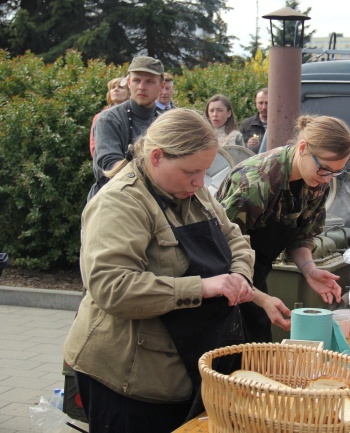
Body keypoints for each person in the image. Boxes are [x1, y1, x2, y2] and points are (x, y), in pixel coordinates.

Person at [64, 108, 290, 432]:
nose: (200, 183)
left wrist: (240, 276)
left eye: (204, 172)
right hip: (128, 378)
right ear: (156, 157)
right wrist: (201, 287)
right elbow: (112, 287)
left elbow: (236, 239)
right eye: (190, 172)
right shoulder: (120, 203)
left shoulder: (194, 193)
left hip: (184, 366)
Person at [217, 115, 350, 343]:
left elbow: (301, 236)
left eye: (336, 172)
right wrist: (261, 299)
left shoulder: (316, 179)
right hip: (224, 284)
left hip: (256, 274)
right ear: (302, 148)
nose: (328, 179)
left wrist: (309, 269)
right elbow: (218, 255)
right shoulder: (255, 183)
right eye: (325, 169)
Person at [88, 56, 166, 201]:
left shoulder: (166, 122)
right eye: (137, 80)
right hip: (114, 201)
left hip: (159, 203)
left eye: (149, 82)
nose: (142, 87)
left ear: (161, 87)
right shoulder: (108, 119)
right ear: (129, 82)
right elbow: (110, 165)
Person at [89, 77, 130, 158]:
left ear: (129, 92)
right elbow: (94, 145)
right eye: (113, 87)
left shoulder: (135, 114)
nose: (116, 89)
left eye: (121, 87)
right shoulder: (99, 117)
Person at [239, 87, 268, 153]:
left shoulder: (279, 125)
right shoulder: (246, 125)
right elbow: (238, 151)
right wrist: (247, 146)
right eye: (261, 103)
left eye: (267, 103)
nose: (264, 107)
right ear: (256, 103)